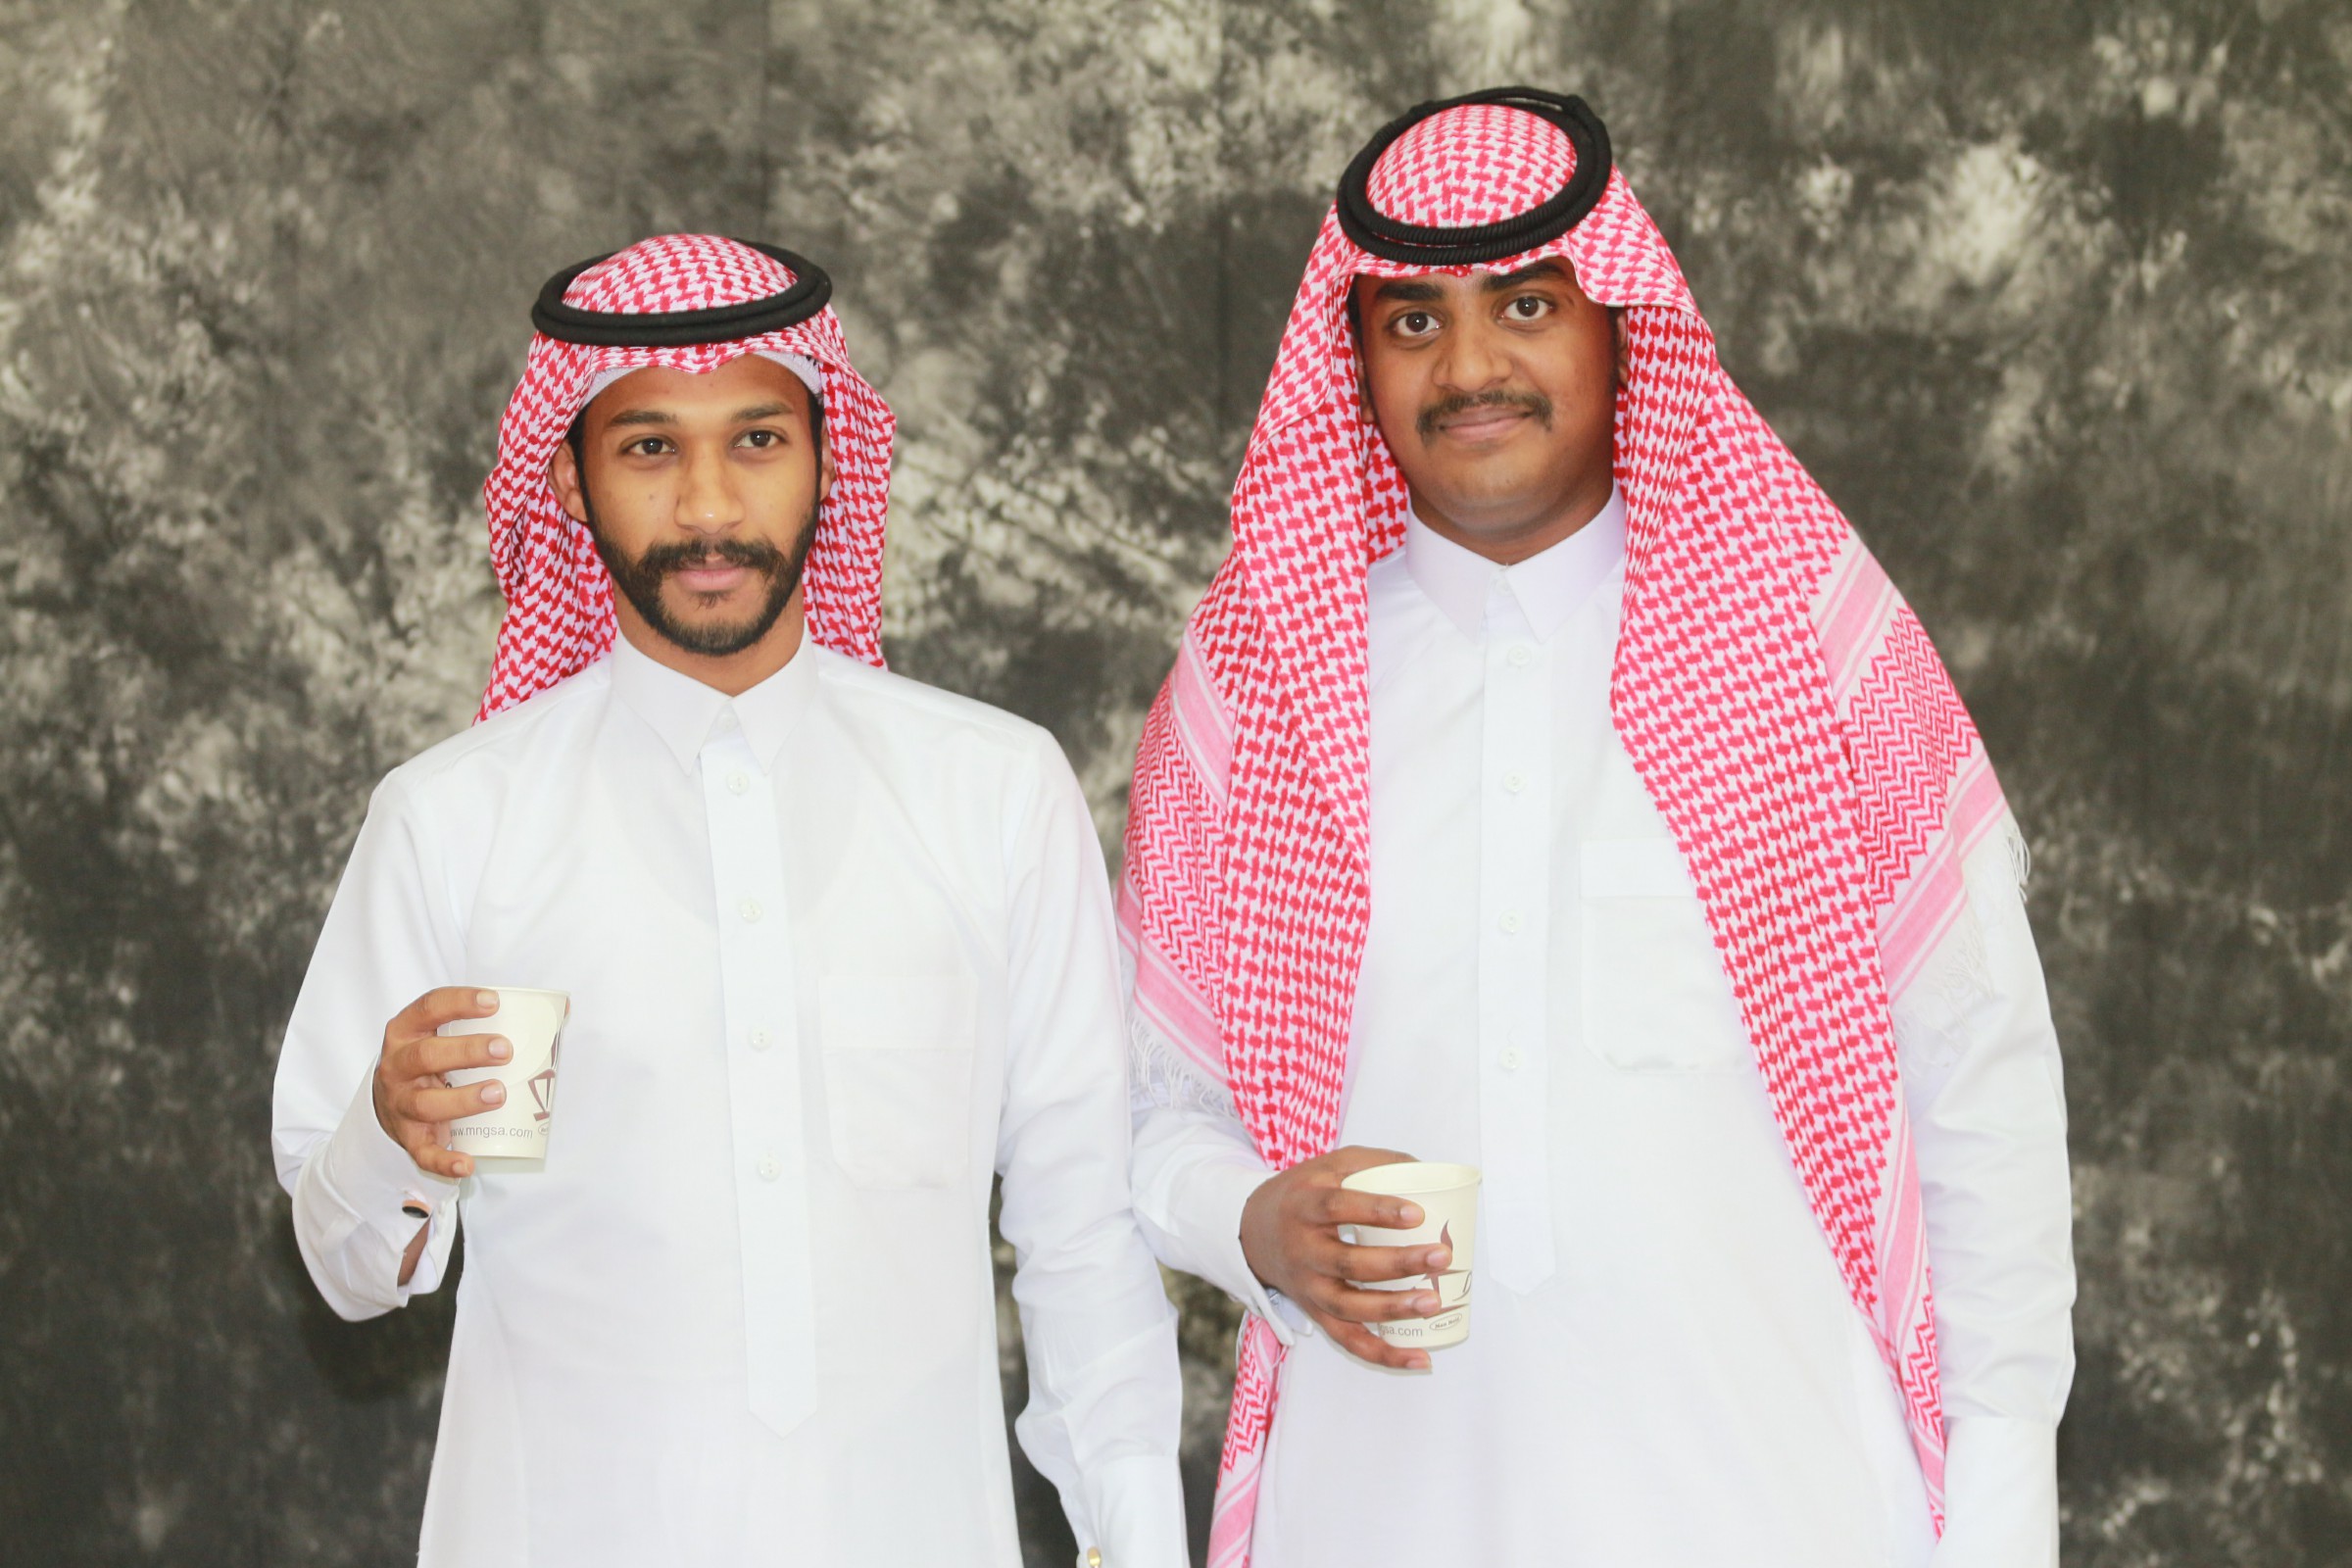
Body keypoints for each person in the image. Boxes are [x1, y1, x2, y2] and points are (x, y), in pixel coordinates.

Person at [1120, 89, 2075, 1567]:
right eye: (1414, 322)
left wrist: (2003, 1516)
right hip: (1378, 1513)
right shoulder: (1256, 690)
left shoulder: (1812, 646)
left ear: (1618, 324)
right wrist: (1246, 1217)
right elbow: (1138, 1108)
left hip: (1784, 1514)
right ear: (1355, 358)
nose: (1470, 367)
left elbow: (1981, 1097)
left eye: (1525, 304)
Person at [271, 233, 1182, 1568]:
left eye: (757, 440)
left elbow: (1083, 1232)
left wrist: (1139, 1544)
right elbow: (349, 1273)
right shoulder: (454, 820)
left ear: (825, 458)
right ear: (572, 481)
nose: (707, 506)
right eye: (649, 448)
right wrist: (388, 1136)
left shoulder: (992, 793)